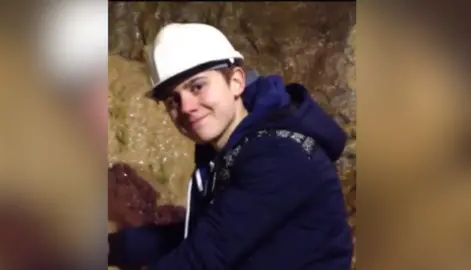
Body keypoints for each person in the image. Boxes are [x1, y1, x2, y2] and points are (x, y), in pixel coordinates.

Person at [108, 22, 353, 270]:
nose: (186, 107)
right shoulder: (229, 151)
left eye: (197, 87)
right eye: (173, 99)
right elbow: (201, 232)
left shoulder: (280, 155)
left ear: (236, 81)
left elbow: (204, 257)